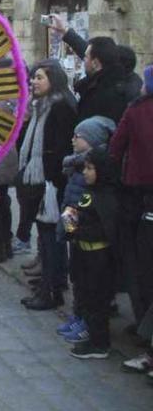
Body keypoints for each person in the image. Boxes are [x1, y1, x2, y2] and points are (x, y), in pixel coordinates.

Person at [15, 60, 77, 310]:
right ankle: (53, 282)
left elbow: (59, 147)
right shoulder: (41, 106)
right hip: (44, 182)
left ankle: (51, 290)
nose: (33, 82)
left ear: (53, 80)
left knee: (52, 236)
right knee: (48, 236)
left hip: (53, 184)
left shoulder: (60, 107)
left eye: (39, 77)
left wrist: (49, 181)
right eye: (32, 78)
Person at [63, 147, 119, 359]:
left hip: (99, 258)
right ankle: (92, 336)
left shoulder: (108, 197)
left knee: (98, 301)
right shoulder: (90, 192)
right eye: (85, 168)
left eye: (90, 168)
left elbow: (105, 229)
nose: (85, 172)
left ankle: (100, 343)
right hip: (84, 254)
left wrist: (78, 228)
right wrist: (71, 221)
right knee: (86, 297)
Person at [109, 64, 153, 327]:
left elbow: (115, 148)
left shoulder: (137, 110)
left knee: (141, 262)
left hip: (138, 194)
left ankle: (143, 323)